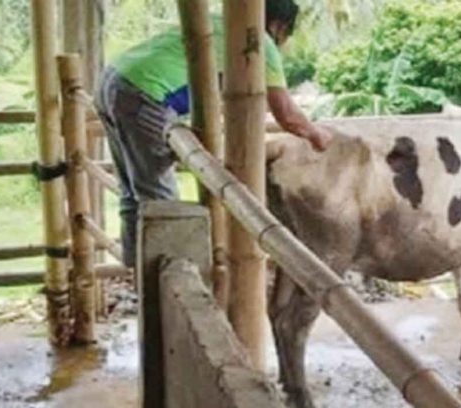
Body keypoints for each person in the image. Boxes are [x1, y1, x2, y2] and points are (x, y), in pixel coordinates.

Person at [95, 0, 330, 267]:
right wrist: (318, 135)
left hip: (113, 80)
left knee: (132, 189)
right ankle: (162, 281)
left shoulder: (221, 22)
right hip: (144, 93)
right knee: (158, 194)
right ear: (279, 26)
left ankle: (136, 269)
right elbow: (286, 114)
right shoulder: (258, 41)